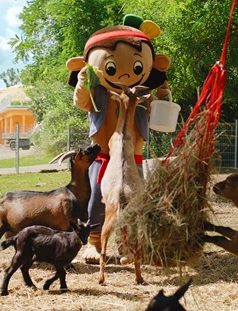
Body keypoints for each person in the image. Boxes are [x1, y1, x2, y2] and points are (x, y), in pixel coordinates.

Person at [66, 14, 171, 263]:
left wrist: (164, 94)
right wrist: (82, 82)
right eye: (111, 68)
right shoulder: (98, 92)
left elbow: (159, 114)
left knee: (133, 200)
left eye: (137, 67)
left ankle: (128, 245)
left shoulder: (144, 94)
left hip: (132, 155)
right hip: (102, 156)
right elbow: (81, 103)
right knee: (97, 198)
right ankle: (94, 242)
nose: (124, 76)